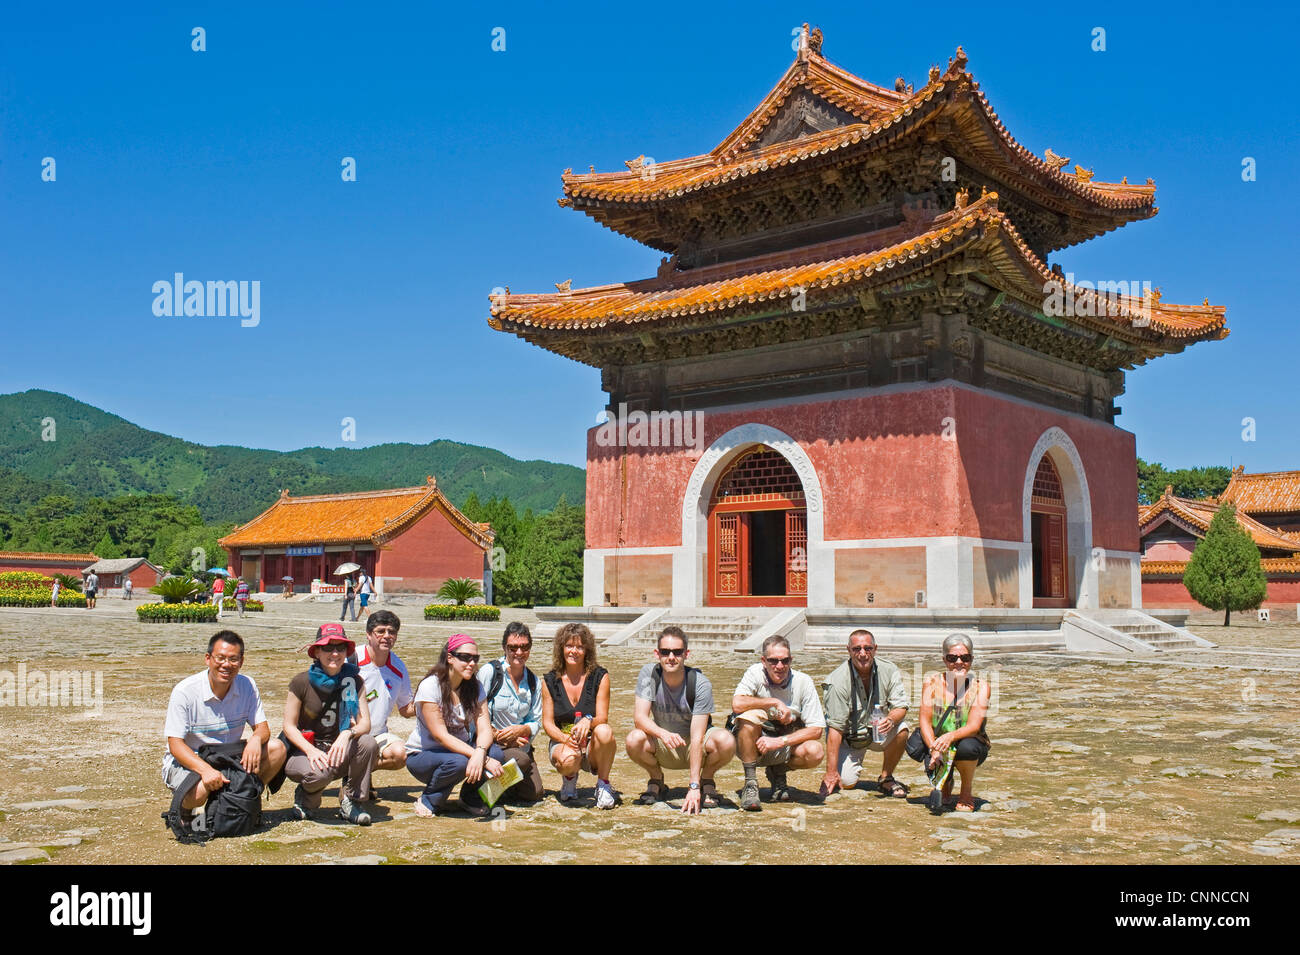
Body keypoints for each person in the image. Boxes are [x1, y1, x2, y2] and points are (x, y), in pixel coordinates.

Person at [162, 630, 287, 815]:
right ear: (208, 658)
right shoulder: (185, 691)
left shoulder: (247, 685)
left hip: (228, 757)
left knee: (277, 748)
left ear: (241, 662)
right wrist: (205, 770)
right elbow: (175, 744)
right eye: (220, 658)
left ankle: (244, 799)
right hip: (193, 759)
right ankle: (184, 809)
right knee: (198, 794)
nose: (226, 665)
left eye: (233, 659)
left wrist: (255, 740)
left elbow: (262, 728)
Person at [626, 626, 735, 813]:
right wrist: (662, 733)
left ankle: (705, 781)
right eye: (665, 652)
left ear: (686, 654)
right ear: (656, 653)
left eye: (677, 652)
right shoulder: (649, 675)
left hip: (694, 745)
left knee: (726, 740)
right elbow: (640, 718)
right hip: (664, 743)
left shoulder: (700, 683)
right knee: (634, 739)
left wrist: (692, 786)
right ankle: (656, 779)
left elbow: (697, 737)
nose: (671, 657)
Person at [282, 623, 376, 825]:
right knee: (320, 773)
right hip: (305, 751)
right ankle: (306, 799)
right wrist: (310, 750)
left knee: (368, 742)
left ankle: (351, 800)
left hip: (338, 749)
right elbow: (288, 726)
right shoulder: (301, 682)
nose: (335, 653)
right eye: (327, 647)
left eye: (340, 648)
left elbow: (365, 723)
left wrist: (347, 734)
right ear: (316, 651)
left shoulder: (353, 680)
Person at [405, 634, 506, 817]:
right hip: (424, 754)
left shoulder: (474, 686)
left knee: (496, 753)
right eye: (465, 657)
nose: (471, 663)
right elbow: (440, 736)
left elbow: (484, 728)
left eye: (475, 658)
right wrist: (479, 756)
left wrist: (481, 752)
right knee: (460, 761)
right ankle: (430, 798)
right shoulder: (431, 686)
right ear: (450, 658)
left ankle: (471, 797)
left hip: (460, 751)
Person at [731, 635, 826, 811]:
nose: (780, 666)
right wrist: (773, 702)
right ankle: (750, 783)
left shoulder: (803, 681)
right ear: (763, 661)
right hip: (752, 743)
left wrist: (780, 742)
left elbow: (816, 729)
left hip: (783, 742)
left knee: (815, 752)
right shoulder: (754, 673)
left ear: (791, 660)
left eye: (785, 660)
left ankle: (778, 771)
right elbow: (737, 704)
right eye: (773, 661)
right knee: (748, 719)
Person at [819, 629, 911, 798]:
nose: (862, 654)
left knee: (902, 728)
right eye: (856, 649)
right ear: (848, 650)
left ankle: (886, 777)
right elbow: (835, 730)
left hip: (878, 732)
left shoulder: (889, 670)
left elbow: (901, 707)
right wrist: (831, 772)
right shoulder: (837, 682)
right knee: (846, 783)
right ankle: (838, 772)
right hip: (850, 739)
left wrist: (890, 719)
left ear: (875, 649)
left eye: (867, 648)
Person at [541, 622, 617, 808]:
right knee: (567, 760)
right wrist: (565, 739)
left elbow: (602, 717)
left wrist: (588, 720)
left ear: (587, 650)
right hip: (563, 742)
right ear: (561, 648)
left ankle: (603, 784)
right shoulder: (550, 680)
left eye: (580, 646)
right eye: (569, 646)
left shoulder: (600, 676)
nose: (574, 651)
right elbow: (548, 723)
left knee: (605, 731)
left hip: (592, 744)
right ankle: (569, 778)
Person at [915, 633, 992, 813]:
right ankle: (946, 781)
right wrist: (934, 748)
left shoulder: (981, 687)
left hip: (967, 739)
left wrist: (950, 737)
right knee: (924, 745)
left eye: (965, 658)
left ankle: (966, 792)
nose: (959, 662)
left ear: (971, 659)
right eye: (952, 658)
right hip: (938, 741)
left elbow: (973, 726)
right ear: (944, 659)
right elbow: (924, 721)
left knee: (967, 747)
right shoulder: (931, 682)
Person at [479, 622, 546, 802]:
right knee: (521, 761)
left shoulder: (533, 681)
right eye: (513, 647)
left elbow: (535, 720)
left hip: (521, 743)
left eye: (524, 647)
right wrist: (498, 736)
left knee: (534, 793)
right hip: (493, 743)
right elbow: (474, 711)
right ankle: (480, 795)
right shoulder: (490, 672)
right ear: (504, 647)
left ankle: (498, 786)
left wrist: (521, 731)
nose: (519, 652)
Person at [352, 610, 415, 799]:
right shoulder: (351, 659)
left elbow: (405, 709)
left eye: (392, 632)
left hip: (377, 734)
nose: (387, 636)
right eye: (380, 631)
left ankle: (358, 772)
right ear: (368, 634)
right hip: (347, 732)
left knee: (401, 753)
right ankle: (353, 774)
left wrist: (431, 701)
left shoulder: (398, 667)